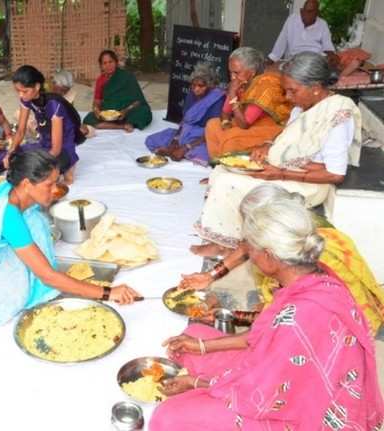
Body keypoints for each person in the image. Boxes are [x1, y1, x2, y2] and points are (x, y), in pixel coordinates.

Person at [149, 197, 384, 430]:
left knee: (168, 417)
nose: (248, 255)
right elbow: (261, 336)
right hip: (282, 375)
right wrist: (201, 345)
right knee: (194, 332)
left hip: (297, 411)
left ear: (270, 256)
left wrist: (195, 383)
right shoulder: (312, 275)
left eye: (251, 249)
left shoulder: (300, 317)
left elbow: (261, 394)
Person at [0, 150, 139, 328]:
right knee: (8, 300)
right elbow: (47, 276)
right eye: (49, 185)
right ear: (27, 184)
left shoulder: (19, 195)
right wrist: (106, 293)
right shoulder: (8, 216)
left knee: (37, 225)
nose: (56, 190)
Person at [194, 51, 361, 253]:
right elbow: (285, 136)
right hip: (293, 169)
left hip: (310, 184)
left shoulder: (337, 114)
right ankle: (232, 238)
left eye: (292, 91)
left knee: (228, 183)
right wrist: (267, 145)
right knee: (220, 171)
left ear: (315, 88)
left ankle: (227, 245)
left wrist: (280, 173)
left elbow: (335, 174)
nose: (289, 97)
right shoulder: (303, 107)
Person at [181, 184, 384, 335]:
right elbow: (245, 246)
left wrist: (229, 316)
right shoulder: (294, 227)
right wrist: (210, 276)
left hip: (343, 332)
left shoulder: (312, 267)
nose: (247, 243)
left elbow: (281, 318)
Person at [204, 47, 292, 158]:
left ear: (252, 72)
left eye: (236, 72)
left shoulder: (265, 84)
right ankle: (218, 164)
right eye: (230, 72)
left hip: (270, 128)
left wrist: (232, 94)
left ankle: (231, 167)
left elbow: (244, 124)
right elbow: (225, 112)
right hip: (248, 123)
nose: (232, 77)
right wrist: (226, 124)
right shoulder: (240, 83)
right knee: (212, 125)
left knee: (231, 139)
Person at [4, 65, 86, 184]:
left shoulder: (54, 105)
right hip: (44, 146)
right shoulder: (26, 100)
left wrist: (37, 163)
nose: (20, 95)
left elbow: (56, 148)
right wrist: (10, 152)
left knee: (36, 171)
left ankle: (69, 166)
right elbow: (20, 131)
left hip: (62, 150)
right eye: (18, 91)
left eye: (24, 91)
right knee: (12, 157)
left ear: (37, 87)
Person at [145, 62, 225, 165]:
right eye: (193, 85)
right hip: (186, 133)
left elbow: (213, 131)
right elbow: (184, 121)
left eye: (201, 86)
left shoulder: (217, 98)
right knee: (152, 140)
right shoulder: (191, 94)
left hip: (203, 137)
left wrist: (187, 147)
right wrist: (175, 140)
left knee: (208, 154)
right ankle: (173, 149)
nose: (196, 89)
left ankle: (181, 151)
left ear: (210, 86)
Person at [268, 0, 370, 78]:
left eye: (311, 12)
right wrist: (272, 58)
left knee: (330, 67)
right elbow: (282, 39)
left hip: (317, 58)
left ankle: (339, 75)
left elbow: (327, 46)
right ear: (301, 11)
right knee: (294, 71)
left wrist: (332, 56)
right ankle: (339, 76)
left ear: (317, 13)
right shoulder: (292, 20)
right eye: (305, 12)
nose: (306, 15)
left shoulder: (322, 24)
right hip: (297, 58)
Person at [82, 50, 152, 132]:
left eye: (110, 62)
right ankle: (122, 126)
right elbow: (97, 101)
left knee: (144, 111)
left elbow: (138, 100)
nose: (108, 65)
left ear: (116, 62)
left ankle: (129, 122)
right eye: (104, 63)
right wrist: (96, 110)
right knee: (89, 119)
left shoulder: (127, 76)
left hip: (128, 110)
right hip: (110, 111)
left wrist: (125, 111)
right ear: (101, 66)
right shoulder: (100, 80)